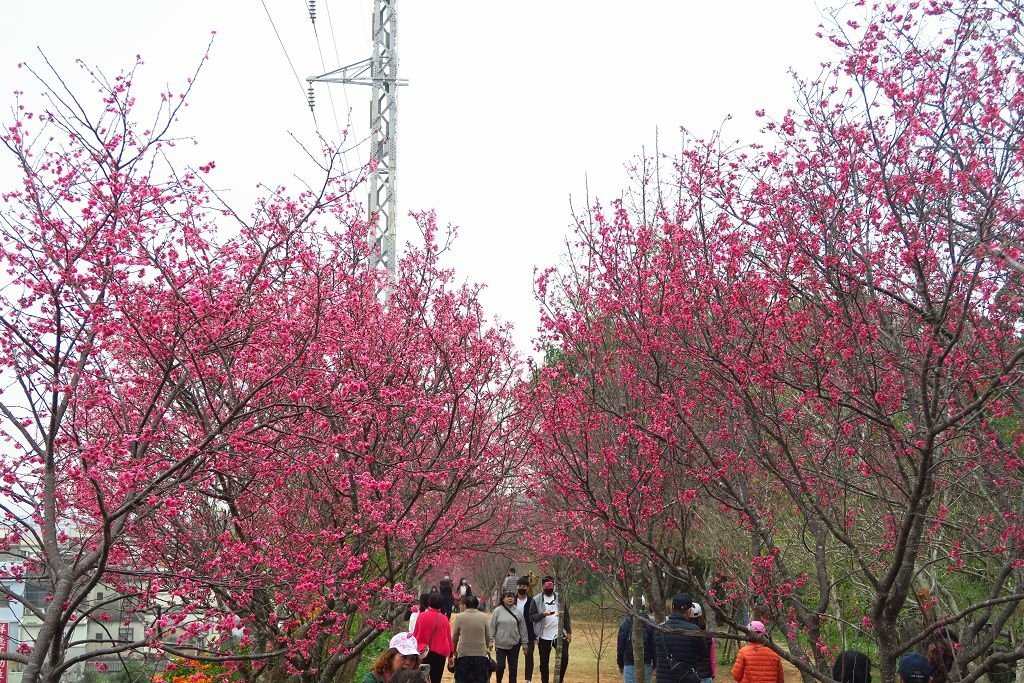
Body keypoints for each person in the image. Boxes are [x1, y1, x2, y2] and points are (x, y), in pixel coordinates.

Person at [654, 594, 708, 683]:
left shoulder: (659, 630)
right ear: (689, 611)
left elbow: (655, 654)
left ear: (671, 609)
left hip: (663, 679)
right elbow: (703, 655)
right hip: (687, 678)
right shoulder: (695, 631)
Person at [531, 575, 572, 683]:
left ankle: (559, 679)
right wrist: (543, 614)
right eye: (546, 585)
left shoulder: (560, 597)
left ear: (553, 585)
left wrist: (569, 632)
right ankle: (545, 681)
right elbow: (532, 617)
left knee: (564, 657)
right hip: (543, 635)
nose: (549, 587)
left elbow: (566, 615)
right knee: (544, 662)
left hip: (559, 633)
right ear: (542, 586)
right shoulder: (536, 599)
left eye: (551, 585)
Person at [412, 593, 454, 683]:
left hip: (423, 653)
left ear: (429, 602)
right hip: (439, 654)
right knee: (436, 679)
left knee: (422, 678)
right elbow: (448, 638)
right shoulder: (444, 619)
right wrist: (451, 654)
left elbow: (415, 634)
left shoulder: (421, 616)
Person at [451, 594, 493, 683]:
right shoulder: (483, 617)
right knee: (480, 679)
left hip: (463, 654)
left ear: (465, 605)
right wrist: (489, 646)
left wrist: (453, 651)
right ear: (477, 605)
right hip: (480, 654)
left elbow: (455, 637)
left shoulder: (460, 617)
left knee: (463, 680)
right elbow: (488, 636)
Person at [492, 590, 529, 683]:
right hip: (500, 645)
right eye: (508, 596)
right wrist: (490, 640)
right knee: (500, 666)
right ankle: (498, 681)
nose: (510, 598)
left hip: (514, 644)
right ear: (503, 599)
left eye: (512, 596)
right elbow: (492, 627)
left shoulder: (518, 612)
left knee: (513, 668)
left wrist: (525, 644)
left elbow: (523, 628)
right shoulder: (497, 611)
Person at [514, 575, 540, 683]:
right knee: (513, 658)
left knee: (529, 656)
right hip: (514, 634)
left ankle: (528, 679)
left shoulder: (532, 601)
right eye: (520, 586)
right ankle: (512, 679)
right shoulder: (511, 600)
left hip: (529, 633)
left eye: (524, 586)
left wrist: (535, 636)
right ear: (517, 587)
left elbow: (535, 619)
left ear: (527, 588)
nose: (521, 588)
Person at [617, 612, 654, 683]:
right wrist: (655, 665)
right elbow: (654, 646)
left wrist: (620, 665)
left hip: (629, 664)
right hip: (646, 664)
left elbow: (620, 648)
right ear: (644, 607)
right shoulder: (650, 624)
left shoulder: (625, 625)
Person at [691, 602, 715, 683]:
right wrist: (713, 673)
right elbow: (712, 659)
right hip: (706, 675)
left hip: (689, 675)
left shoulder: (683, 634)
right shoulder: (708, 636)